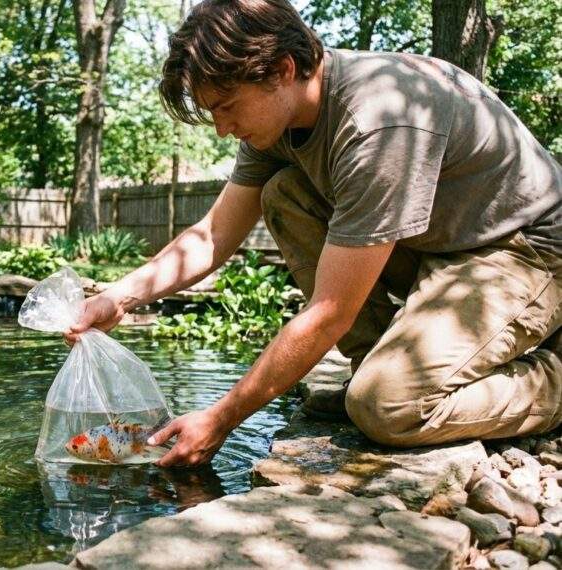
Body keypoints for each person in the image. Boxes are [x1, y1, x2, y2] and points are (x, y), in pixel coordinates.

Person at [64, 0, 562, 467]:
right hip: (443, 244)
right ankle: (374, 364)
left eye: (227, 106)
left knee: (389, 407)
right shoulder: (276, 123)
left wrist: (223, 417)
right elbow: (213, 234)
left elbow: (329, 313)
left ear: (282, 69)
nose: (221, 128)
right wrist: (118, 297)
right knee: (283, 194)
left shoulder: (378, 122)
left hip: (524, 250)